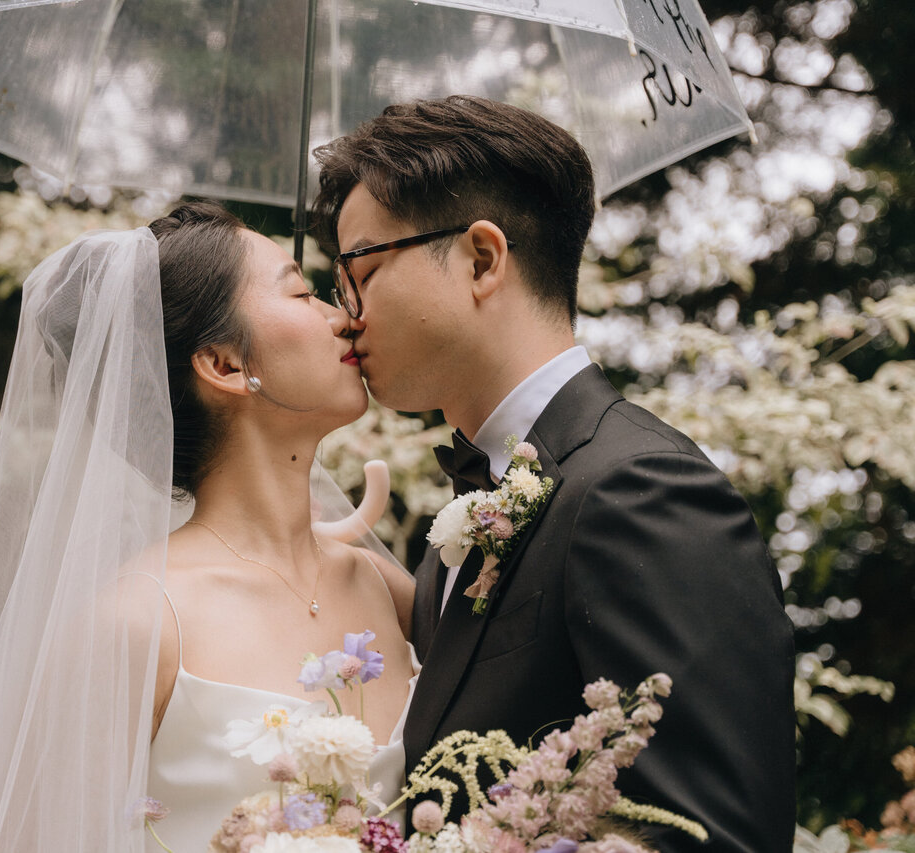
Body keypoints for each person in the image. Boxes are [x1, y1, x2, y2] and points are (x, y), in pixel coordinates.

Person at [311, 96, 795, 853]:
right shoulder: (460, 529)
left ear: (480, 258)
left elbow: (717, 836)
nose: (347, 315)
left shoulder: (640, 490)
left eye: (360, 271)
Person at [0, 202, 417, 853]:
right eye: (301, 292)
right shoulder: (133, 619)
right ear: (226, 365)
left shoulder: (381, 582)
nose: (341, 317)